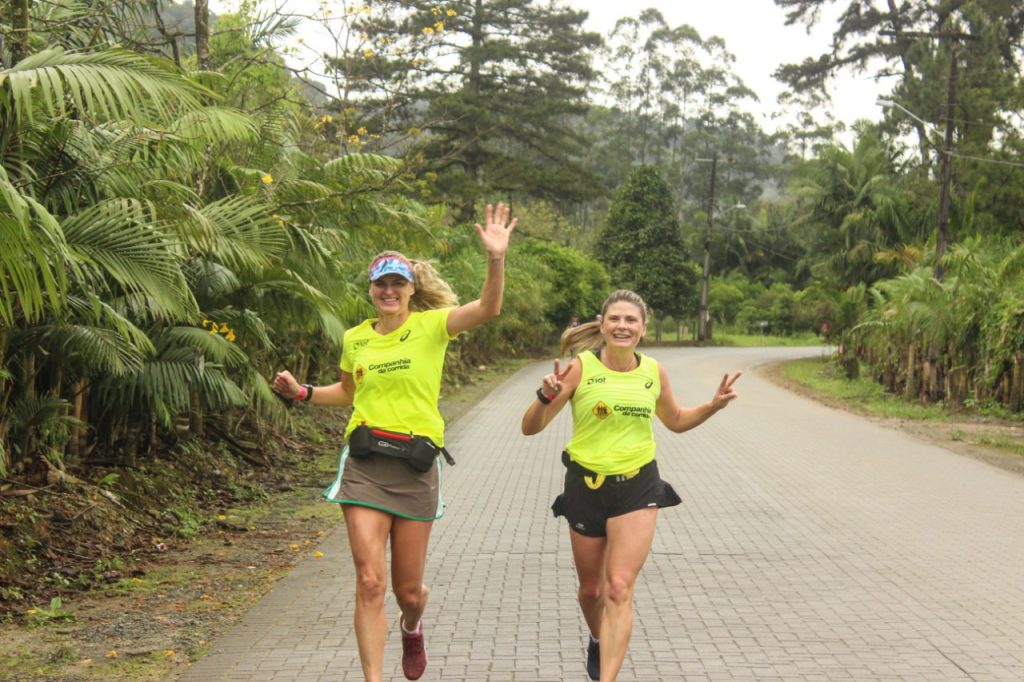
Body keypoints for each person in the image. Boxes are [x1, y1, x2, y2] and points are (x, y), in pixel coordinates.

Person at [272, 203, 517, 682]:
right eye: (380, 284)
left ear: (410, 290)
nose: (388, 292)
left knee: (407, 592)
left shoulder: (432, 326)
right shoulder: (355, 339)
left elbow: (489, 308)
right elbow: (347, 392)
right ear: (370, 290)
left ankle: (412, 624)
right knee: (369, 581)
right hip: (364, 464)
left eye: (397, 284)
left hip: (415, 467)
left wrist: (495, 258)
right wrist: (301, 392)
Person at [521, 289, 741, 682]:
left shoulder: (653, 372)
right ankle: (596, 636)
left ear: (643, 328)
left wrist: (712, 405)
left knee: (618, 588)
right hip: (585, 487)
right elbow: (530, 428)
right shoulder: (579, 368)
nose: (623, 326)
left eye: (631, 320)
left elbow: (674, 419)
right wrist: (544, 397)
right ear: (603, 324)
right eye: (616, 319)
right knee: (591, 592)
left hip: (637, 487)